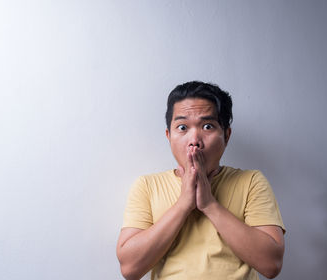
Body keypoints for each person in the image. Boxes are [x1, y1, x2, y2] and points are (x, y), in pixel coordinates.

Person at [116, 81, 285, 280]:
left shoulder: (251, 182)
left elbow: (271, 264)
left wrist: (209, 205)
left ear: (226, 135)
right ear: (169, 136)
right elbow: (129, 268)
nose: (194, 139)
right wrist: (183, 205)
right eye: (182, 127)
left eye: (207, 126)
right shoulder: (147, 186)